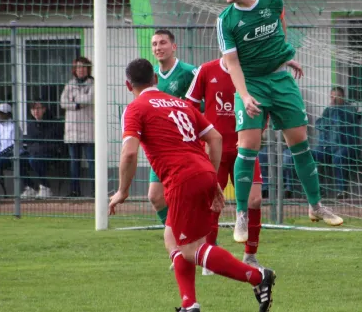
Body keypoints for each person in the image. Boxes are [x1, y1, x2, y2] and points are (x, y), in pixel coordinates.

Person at [109, 58, 276, 312]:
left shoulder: (135, 108)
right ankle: (189, 304)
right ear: (155, 79)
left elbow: (129, 153)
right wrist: (211, 174)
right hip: (202, 171)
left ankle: (258, 277)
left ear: (127, 84)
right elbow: (215, 137)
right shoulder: (178, 103)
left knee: (192, 249)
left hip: (181, 179)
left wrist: (122, 191)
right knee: (171, 237)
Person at [217, 0, 343, 239]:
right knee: (248, 146)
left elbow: (280, 27)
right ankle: (240, 214)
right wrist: (245, 94)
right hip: (250, 83)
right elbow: (233, 64)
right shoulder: (225, 20)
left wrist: (284, 55)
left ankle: (316, 205)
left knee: (299, 142)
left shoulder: (274, 1)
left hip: (280, 79)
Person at [186, 57, 264, 269]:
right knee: (212, 203)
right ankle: (209, 259)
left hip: (245, 149)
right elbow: (189, 108)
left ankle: (250, 256)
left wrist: (258, 133)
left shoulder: (252, 70)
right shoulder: (206, 70)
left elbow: (265, 105)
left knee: (255, 200)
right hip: (215, 151)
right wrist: (201, 137)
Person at [147, 29, 198, 226]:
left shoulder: (189, 72)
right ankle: (179, 235)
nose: (158, 47)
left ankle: (199, 242)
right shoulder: (150, 76)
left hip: (185, 147)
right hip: (160, 148)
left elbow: (202, 107)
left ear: (173, 47)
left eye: (162, 43)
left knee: (186, 198)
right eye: (154, 44)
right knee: (156, 197)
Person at [283, 86, 360, 199]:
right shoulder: (328, 110)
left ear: (342, 97)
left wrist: (331, 117)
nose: (333, 99)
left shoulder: (350, 109)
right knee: (308, 155)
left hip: (343, 146)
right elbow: (319, 124)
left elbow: (340, 123)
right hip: (325, 147)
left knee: (338, 157)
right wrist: (329, 119)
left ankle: (342, 191)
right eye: (332, 96)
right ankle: (314, 190)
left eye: (336, 96)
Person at [60, 56, 94, 197]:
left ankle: (95, 191)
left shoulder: (93, 84)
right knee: (74, 163)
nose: (81, 70)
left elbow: (90, 99)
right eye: (78, 67)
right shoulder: (69, 84)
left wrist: (73, 101)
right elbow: (62, 103)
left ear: (88, 69)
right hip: (72, 131)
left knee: (92, 163)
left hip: (88, 131)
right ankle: (75, 191)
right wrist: (77, 104)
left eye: (83, 67)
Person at [21, 100, 64, 199]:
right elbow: (30, 142)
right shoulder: (31, 124)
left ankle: (45, 187)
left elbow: (51, 143)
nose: (35, 111)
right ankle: (31, 187)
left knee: (33, 160)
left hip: (51, 154)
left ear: (44, 109)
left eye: (38, 108)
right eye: (33, 109)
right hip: (35, 153)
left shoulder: (53, 123)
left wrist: (37, 146)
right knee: (16, 159)